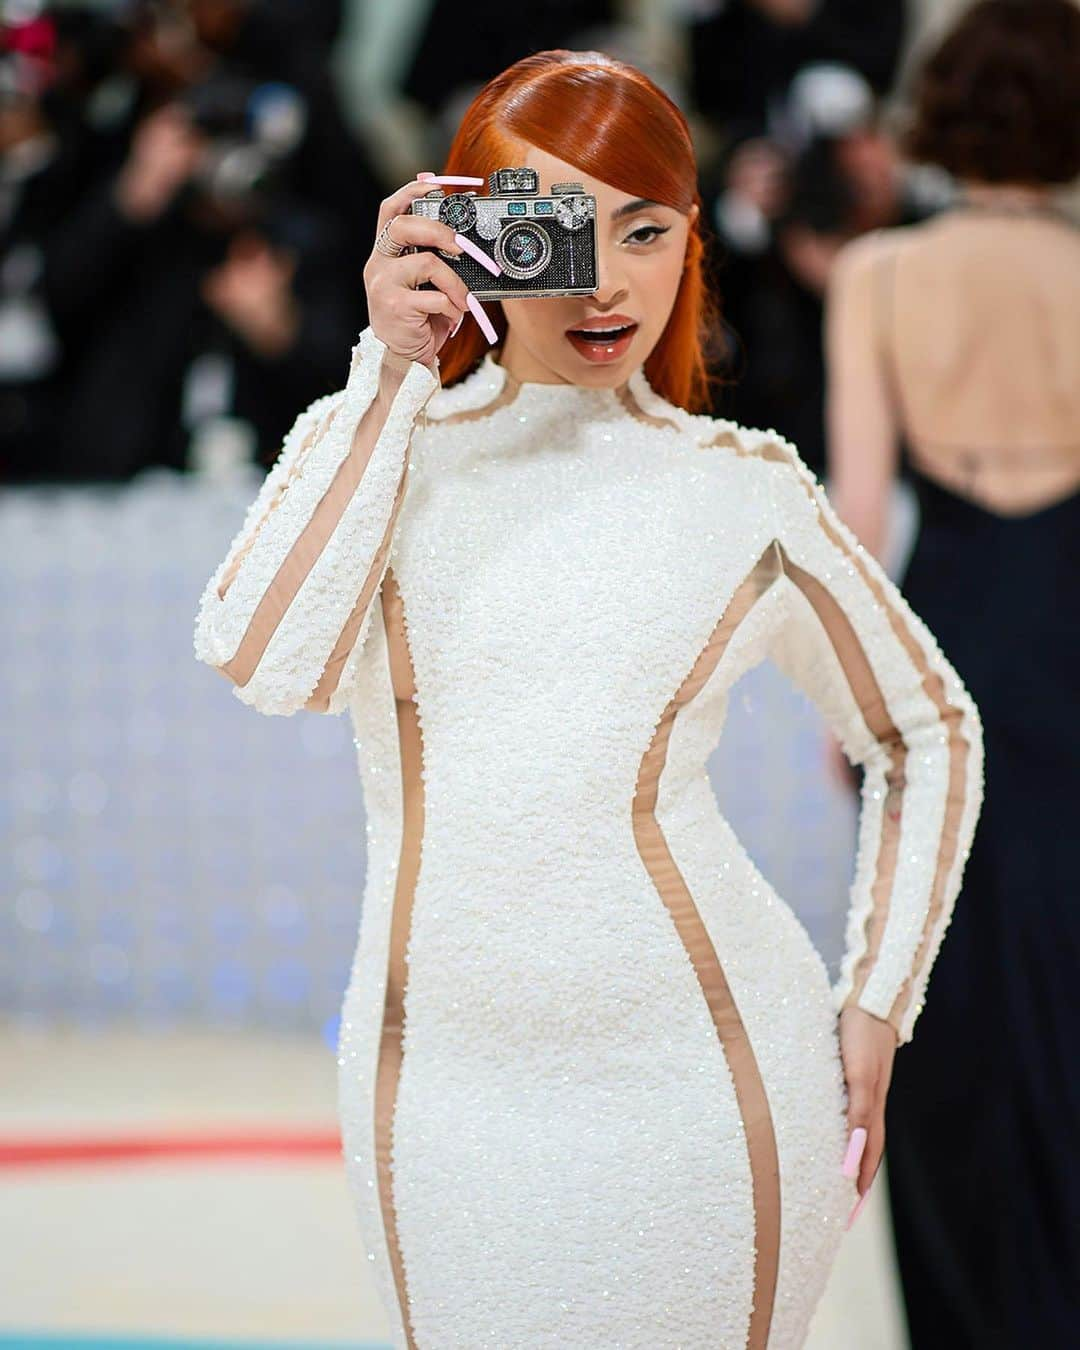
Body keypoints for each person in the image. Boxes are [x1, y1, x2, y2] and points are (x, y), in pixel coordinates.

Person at [193, 49, 984, 1348]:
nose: (609, 277)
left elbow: (927, 729)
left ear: (691, 239)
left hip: (712, 1088)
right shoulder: (392, 454)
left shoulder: (742, 486)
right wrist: (391, 368)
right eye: (557, 226)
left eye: (647, 227)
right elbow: (262, 654)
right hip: (440, 1102)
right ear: (473, 228)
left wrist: (877, 999)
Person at [824, 3, 1080, 1344]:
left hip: (949, 646)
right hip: (1067, 637)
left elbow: (861, 518)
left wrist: (851, 711)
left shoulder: (879, 273)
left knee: (942, 1001)